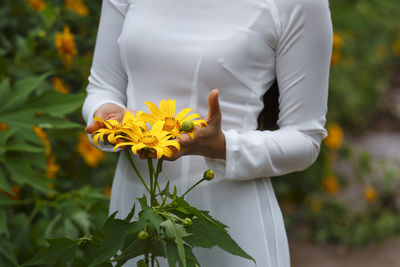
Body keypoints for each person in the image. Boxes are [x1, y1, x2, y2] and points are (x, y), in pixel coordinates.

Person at [82, 0, 333, 266]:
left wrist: (223, 147)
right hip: (134, 218)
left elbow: (305, 138)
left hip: (229, 227)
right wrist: (106, 115)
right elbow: (102, 87)